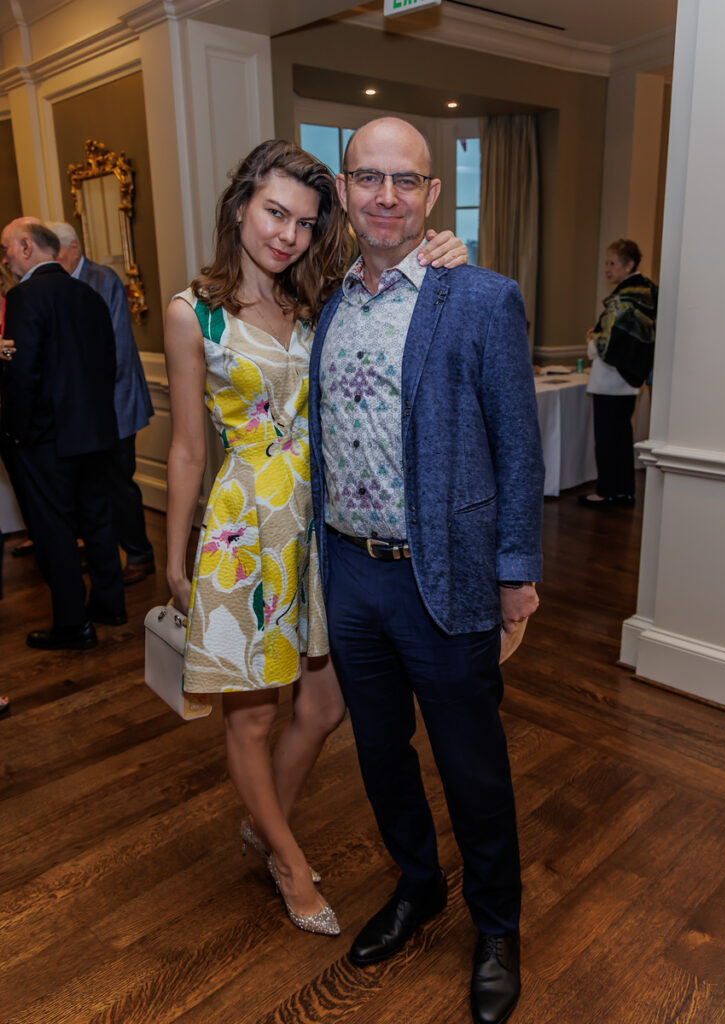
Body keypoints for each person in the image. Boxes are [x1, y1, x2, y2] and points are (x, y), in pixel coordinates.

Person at [164, 139, 467, 939]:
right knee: (252, 719)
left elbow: (399, 287)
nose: (287, 234)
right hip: (244, 531)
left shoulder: (321, 299)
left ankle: (267, 825)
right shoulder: (191, 310)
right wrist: (173, 557)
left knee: (325, 703)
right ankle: (290, 864)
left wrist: (446, 247)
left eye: (303, 221)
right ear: (239, 207)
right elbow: (190, 446)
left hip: (324, 521)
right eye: (274, 212)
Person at [308, 118, 544, 1024]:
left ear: (432, 195)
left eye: (406, 181)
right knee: (380, 755)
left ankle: (495, 926)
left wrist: (514, 569)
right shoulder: (325, 298)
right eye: (368, 177)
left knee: (472, 767)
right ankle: (417, 885)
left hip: (444, 574)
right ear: (344, 188)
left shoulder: (479, 296)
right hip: (351, 572)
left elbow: (517, 448)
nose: (386, 196)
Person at [0, 217, 125, 649]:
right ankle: (110, 605)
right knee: (98, 519)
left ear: (27, 247)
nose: (5, 259)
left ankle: (73, 624)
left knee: (53, 529)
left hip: (47, 439)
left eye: (7, 249)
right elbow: (108, 363)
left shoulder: (22, 298)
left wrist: (16, 432)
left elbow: (22, 375)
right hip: (96, 431)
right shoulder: (88, 294)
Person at [47, 221, 156, 581]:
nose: (51, 258)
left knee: (118, 482)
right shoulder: (57, 283)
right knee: (91, 485)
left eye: (55, 250)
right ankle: (102, 552)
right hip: (86, 406)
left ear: (73, 248)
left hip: (115, 402)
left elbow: (117, 351)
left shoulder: (102, 279)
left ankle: (140, 555)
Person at [579, 238, 658, 508]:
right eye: (606, 263)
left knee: (608, 439)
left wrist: (592, 340)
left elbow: (609, 345)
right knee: (622, 437)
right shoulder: (646, 292)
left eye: (612, 263)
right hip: (628, 381)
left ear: (630, 264)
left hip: (611, 381)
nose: (607, 269)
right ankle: (624, 490)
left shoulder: (625, 298)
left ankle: (607, 491)